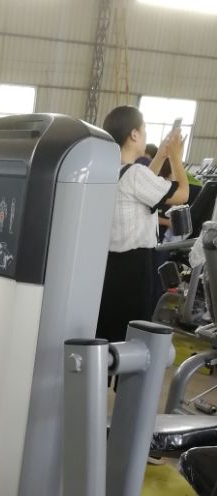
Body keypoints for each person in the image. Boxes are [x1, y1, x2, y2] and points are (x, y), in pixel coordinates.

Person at [97, 106, 189, 343]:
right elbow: (182, 194)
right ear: (134, 134)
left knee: (110, 327)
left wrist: (161, 156)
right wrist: (176, 158)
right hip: (134, 266)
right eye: (144, 129)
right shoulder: (136, 174)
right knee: (130, 331)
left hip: (111, 264)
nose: (146, 134)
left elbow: (142, 184)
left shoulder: (113, 171)